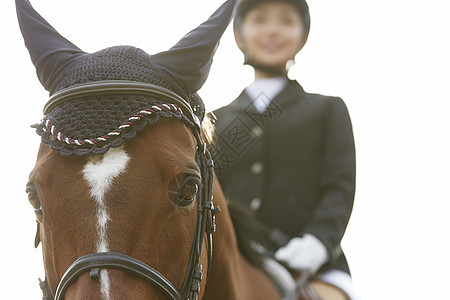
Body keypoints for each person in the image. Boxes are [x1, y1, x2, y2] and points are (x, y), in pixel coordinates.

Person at [209, 0, 360, 299]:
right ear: (239, 35)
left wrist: (318, 242)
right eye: (260, 20)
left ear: (302, 36)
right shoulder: (217, 120)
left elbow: (339, 187)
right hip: (231, 258)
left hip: (314, 264)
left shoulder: (326, 109)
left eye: (286, 21)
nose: (273, 31)